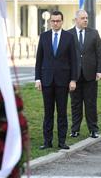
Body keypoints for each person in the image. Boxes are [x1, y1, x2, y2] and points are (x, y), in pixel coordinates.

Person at [35, 10, 77, 150]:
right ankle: (47, 142)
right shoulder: (44, 36)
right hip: (46, 80)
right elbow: (39, 59)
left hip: (63, 81)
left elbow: (74, 61)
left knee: (62, 112)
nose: (55, 23)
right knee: (48, 112)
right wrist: (37, 79)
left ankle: (61, 141)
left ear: (62, 21)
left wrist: (73, 80)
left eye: (58, 21)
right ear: (49, 22)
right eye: (53, 21)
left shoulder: (69, 37)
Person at [68, 10, 101, 139]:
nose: (85, 20)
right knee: (75, 104)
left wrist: (99, 70)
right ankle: (75, 129)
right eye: (82, 18)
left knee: (91, 103)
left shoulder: (94, 33)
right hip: (74, 76)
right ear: (76, 19)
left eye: (86, 18)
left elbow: (100, 53)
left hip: (90, 75)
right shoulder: (69, 34)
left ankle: (93, 129)